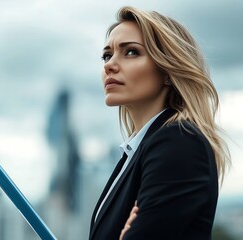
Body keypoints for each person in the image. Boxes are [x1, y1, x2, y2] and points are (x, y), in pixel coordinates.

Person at [89, 6, 231, 240]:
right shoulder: (140, 149)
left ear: (167, 69)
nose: (109, 65)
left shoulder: (180, 143)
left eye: (131, 52)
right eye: (107, 55)